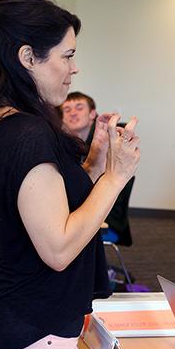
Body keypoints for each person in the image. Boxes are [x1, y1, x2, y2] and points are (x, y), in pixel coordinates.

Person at [0, 0, 140, 349]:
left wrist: (93, 163)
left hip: (24, 319)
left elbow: (53, 206)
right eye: (67, 56)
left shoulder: (6, 121)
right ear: (27, 57)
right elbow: (57, 249)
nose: (74, 69)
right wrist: (115, 177)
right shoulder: (27, 133)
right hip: (33, 326)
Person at [61, 91, 134, 246]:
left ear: (92, 114)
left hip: (106, 218)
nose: (73, 113)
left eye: (79, 108)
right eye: (67, 110)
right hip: (76, 210)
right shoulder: (63, 145)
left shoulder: (109, 142)